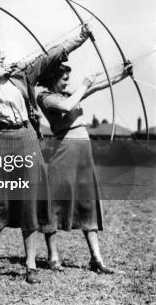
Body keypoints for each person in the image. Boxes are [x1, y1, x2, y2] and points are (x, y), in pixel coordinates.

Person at [0, 25, 91, 284]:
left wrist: (79, 38)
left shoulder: (21, 76)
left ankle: (30, 265)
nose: (3, 56)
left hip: (26, 138)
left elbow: (50, 56)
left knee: (30, 201)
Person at [37, 62, 131, 274]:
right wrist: (84, 84)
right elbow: (66, 106)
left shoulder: (69, 94)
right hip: (65, 151)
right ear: (53, 78)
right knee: (54, 202)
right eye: (64, 79)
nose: (67, 83)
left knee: (88, 201)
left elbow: (95, 86)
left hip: (83, 151)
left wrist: (121, 74)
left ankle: (96, 259)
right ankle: (53, 257)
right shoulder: (45, 97)